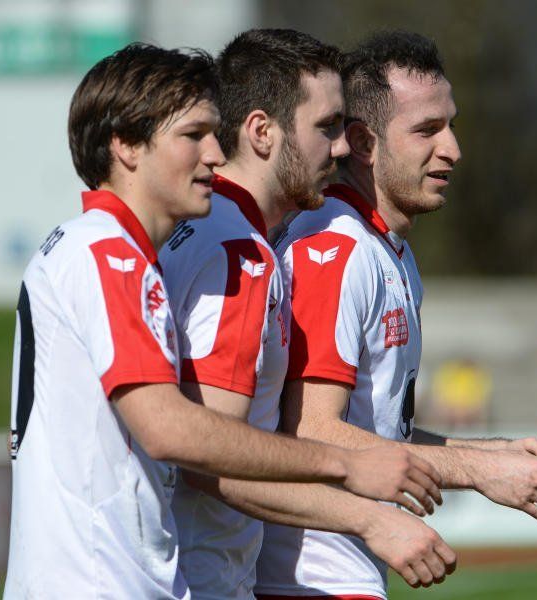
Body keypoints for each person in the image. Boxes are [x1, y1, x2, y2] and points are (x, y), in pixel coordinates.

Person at [4, 42, 445, 599]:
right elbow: (181, 434)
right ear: (125, 146)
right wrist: (351, 475)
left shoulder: (91, 246)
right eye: (193, 136)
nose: (216, 152)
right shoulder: (157, 254)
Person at [255, 31, 537, 600]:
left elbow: (375, 429)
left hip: (344, 571)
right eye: (427, 130)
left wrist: (490, 454)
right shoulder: (335, 248)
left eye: (450, 124)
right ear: (362, 142)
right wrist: (477, 473)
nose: (452, 148)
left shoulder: (390, 251)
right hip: (308, 579)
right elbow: (310, 428)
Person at [158, 29, 455, 599]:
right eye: (326, 127)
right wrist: (367, 512)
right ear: (262, 132)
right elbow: (206, 452)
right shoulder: (237, 252)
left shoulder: (217, 234)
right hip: (202, 579)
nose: (342, 147)